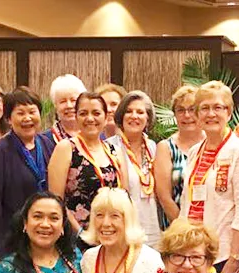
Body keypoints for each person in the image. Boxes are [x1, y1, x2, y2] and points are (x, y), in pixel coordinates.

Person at [180, 80, 239, 273]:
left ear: (229, 113)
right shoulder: (194, 151)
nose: (211, 114)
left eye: (218, 107)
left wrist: (234, 258)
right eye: (204, 108)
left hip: (226, 253)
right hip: (195, 251)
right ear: (197, 115)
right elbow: (185, 203)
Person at [0, 87, 54, 257]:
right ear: (8, 119)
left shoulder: (48, 144)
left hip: (47, 235)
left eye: (32, 112)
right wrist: (0, 251)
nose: (27, 118)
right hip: (13, 241)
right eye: (20, 113)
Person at [48, 92, 126, 235]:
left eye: (96, 113)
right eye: (83, 113)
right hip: (77, 236)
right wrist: (81, 235)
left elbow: (124, 197)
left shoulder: (115, 151)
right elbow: (56, 200)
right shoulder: (66, 148)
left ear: (105, 116)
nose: (90, 118)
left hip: (111, 234)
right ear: (76, 117)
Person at [106, 90, 161, 247]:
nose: (134, 116)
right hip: (123, 228)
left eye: (140, 112)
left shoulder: (153, 147)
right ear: (121, 116)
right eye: (129, 111)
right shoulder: (110, 147)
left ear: (148, 118)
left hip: (152, 227)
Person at [153, 85, 205, 230]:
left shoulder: (213, 144)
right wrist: (185, 229)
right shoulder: (166, 147)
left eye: (192, 109)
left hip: (214, 227)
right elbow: (164, 197)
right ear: (174, 115)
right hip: (176, 228)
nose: (187, 115)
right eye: (181, 110)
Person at [43, 74, 86, 144]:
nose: (69, 106)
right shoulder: (45, 140)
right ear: (55, 105)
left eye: (73, 100)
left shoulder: (95, 135)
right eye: (63, 101)